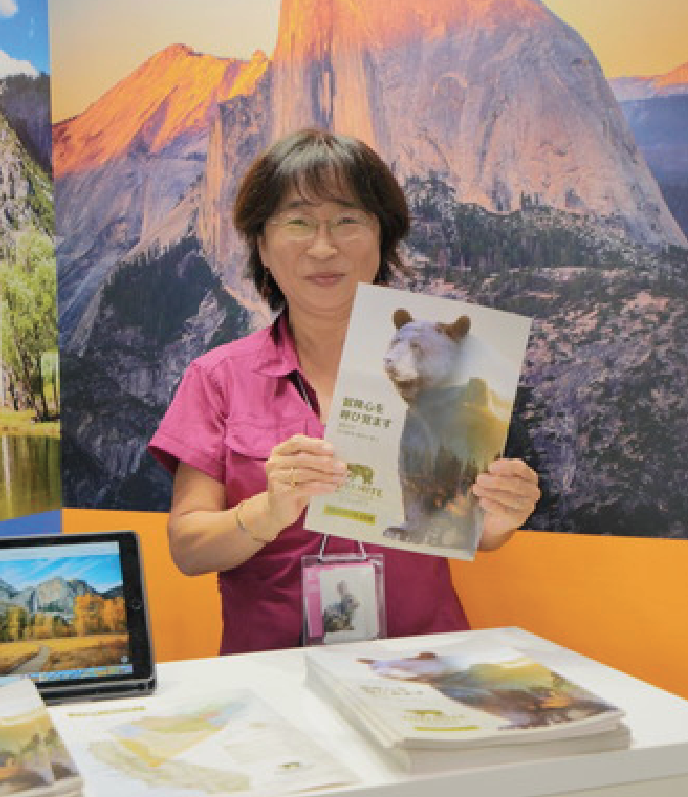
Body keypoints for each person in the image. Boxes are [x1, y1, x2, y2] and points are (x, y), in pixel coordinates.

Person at [148, 128, 541, 655]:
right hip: (276, 675)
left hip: (423, 664)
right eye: (297, 222)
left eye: (347, 220)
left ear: (383, 238)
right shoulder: (216, 377)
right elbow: (189, 549)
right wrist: (269, 511)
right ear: (262, 245)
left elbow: (475, 529)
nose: (323, 246)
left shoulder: (452, 369)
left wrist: (502, 514)